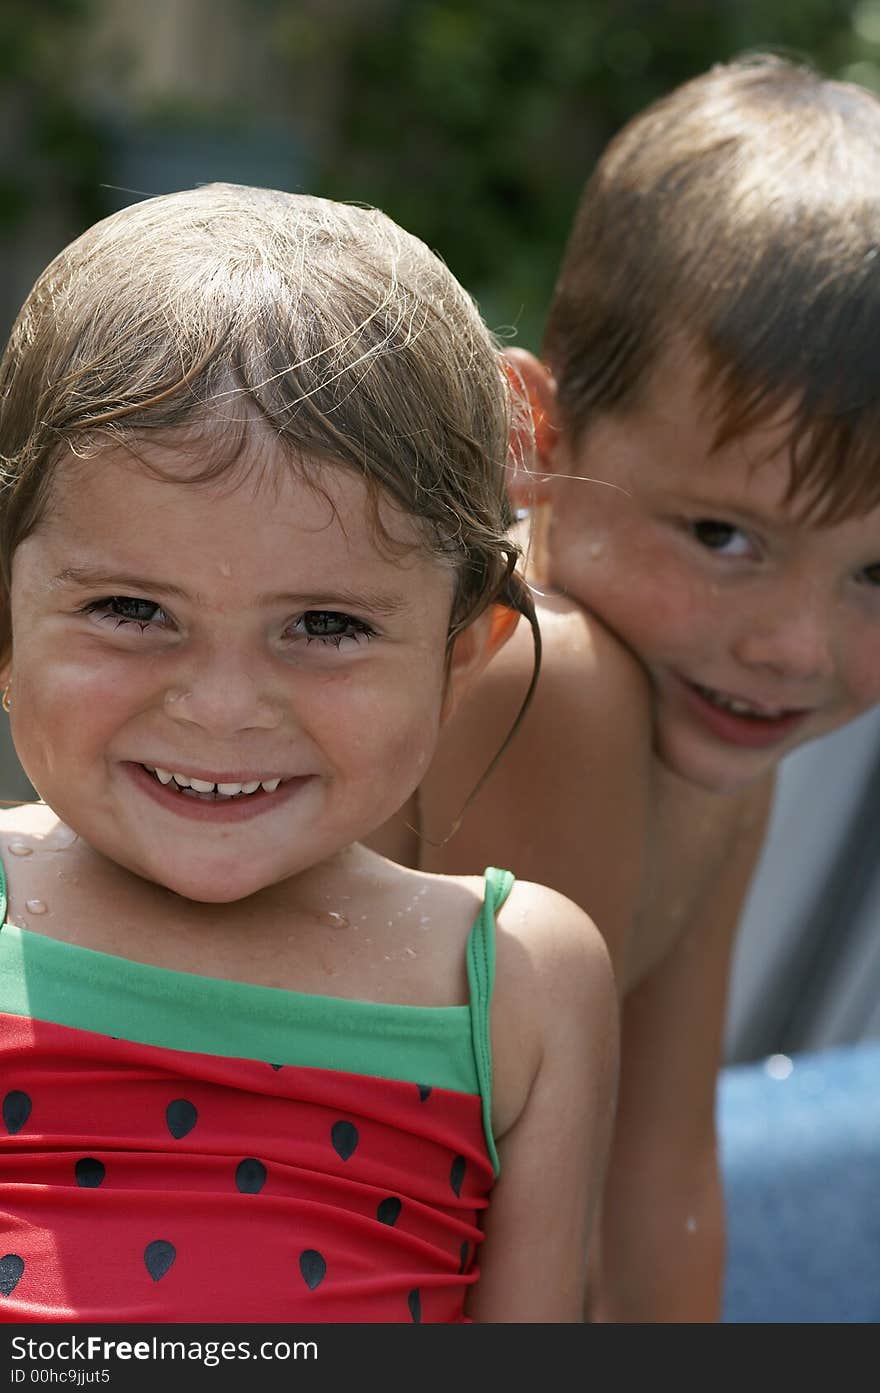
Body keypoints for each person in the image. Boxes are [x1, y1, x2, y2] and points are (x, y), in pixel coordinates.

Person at [0, 183, 617, 1323]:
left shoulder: (514, 986)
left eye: (325, 627)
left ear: (460, 648)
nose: (223, 707)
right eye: (133, 608)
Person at [369, 52, 880, 1321]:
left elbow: (665, 1172)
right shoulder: (558, 681)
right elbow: (494, 1217)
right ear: (535, 441)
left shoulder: (719, 753)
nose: (793, 646)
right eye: (721, 537)